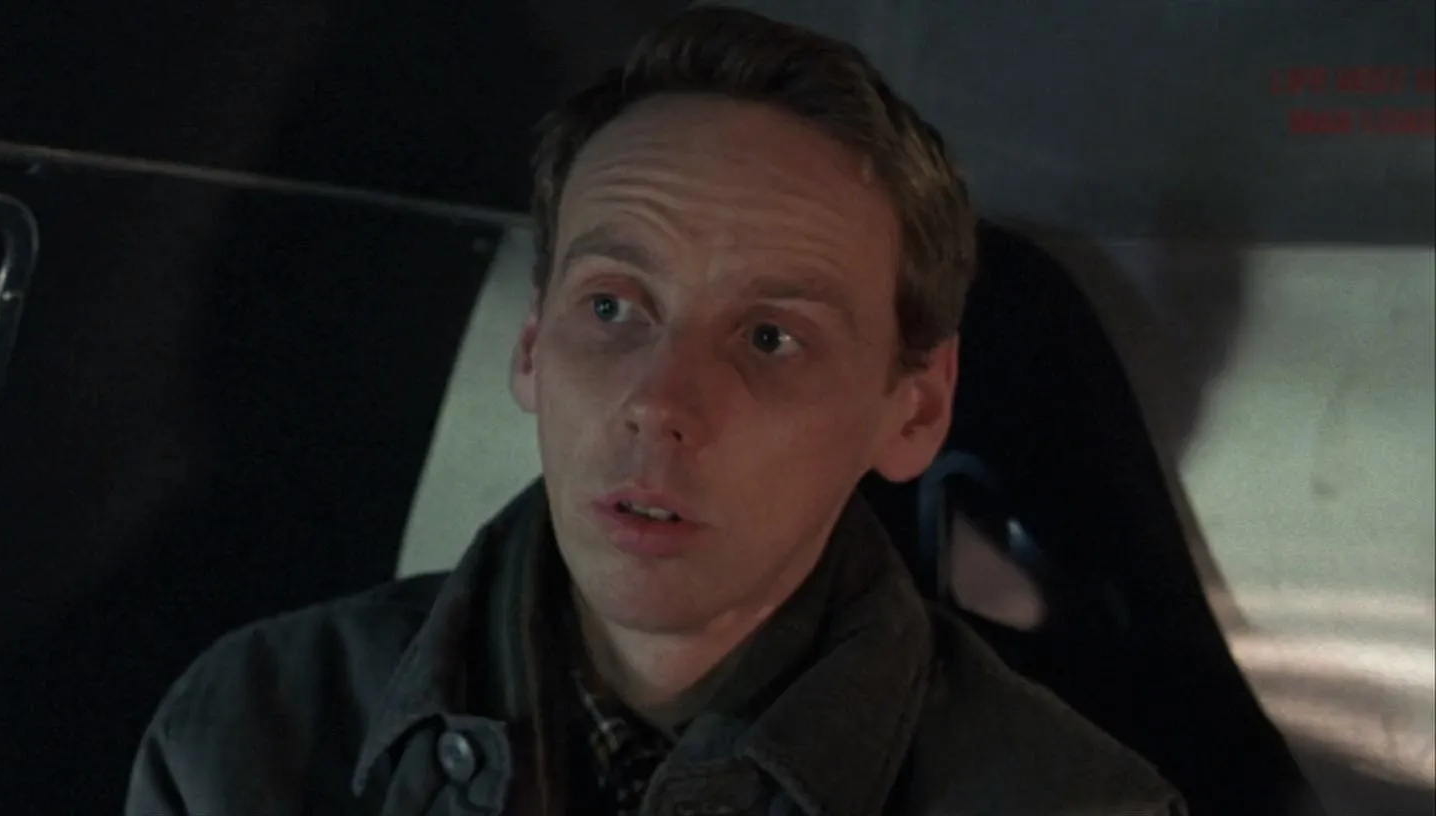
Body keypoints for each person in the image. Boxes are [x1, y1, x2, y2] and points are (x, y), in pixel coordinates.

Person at [126, 6, 1185, 815]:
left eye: (770, 339)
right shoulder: (254, 734)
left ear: (913, 410)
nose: (659, 403)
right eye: (611, 308)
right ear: (532, 344)